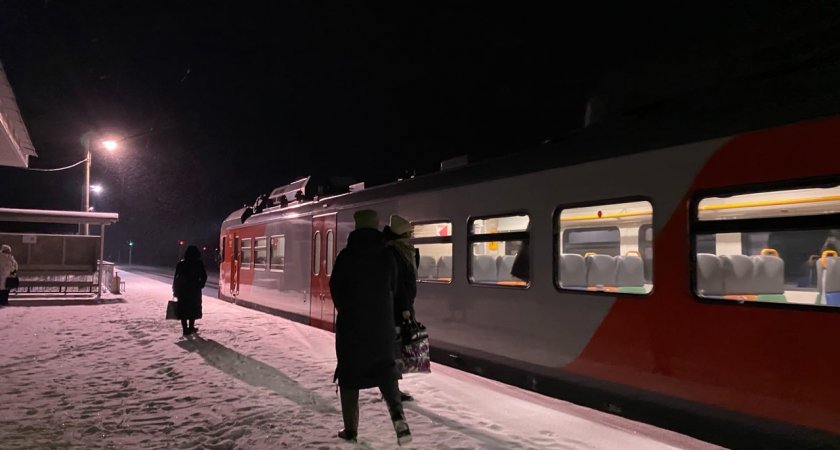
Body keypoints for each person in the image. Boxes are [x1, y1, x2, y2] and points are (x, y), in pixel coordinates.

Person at [330, 210, 412, 445]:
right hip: (381, 327)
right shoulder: (387, 256)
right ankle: (399, 420)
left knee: (349, 376)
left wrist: (348, 310)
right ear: (376, 227)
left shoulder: (346, 256)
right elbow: (395, 289)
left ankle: (350, 431)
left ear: (356, 229)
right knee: (386, 373)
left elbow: (335, 287)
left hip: (352, 328)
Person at [383, 214, 417, 402]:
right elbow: (399, 284)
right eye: (408, 232)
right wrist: (404, 308)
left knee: (397, 348)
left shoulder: (403, 251)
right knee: (394, 349)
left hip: (403, 306)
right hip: (397, 309)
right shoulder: (394, 253)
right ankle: (392, 389)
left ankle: (393, 387)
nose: (411, 236)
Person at [173, 245, 207, 336]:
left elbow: (176, 278)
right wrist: (200, 285)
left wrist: (175, 290)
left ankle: (185, 329)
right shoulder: (198, 263)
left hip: (183, 290)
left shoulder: (181, 264)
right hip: (194, 290)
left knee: (183, 309)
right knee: (193, 308)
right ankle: (191, 327)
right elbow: (204, 276)